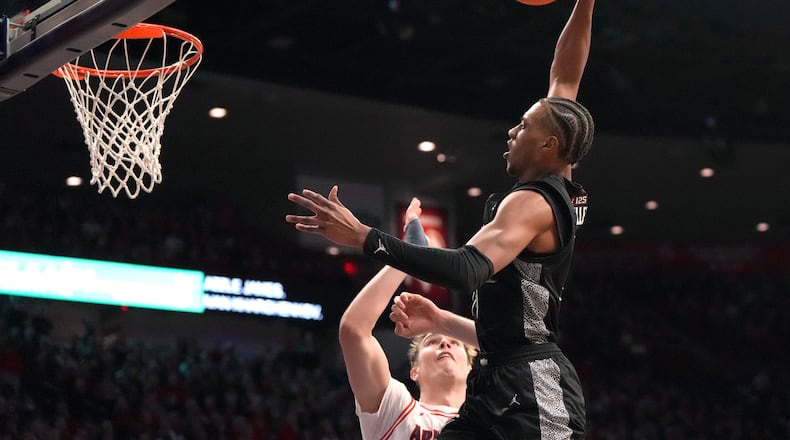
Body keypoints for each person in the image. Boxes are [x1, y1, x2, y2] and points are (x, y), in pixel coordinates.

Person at [287, 0, 595, 437]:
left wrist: (365, 237)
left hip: (532, 386)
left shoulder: (532, 203)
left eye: (523, 126)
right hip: (496, 383)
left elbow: (468, 269)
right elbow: (565, 77)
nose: (512, 131)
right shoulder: (558, 154)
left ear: (548, 145)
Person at [339, 197, 477, 440]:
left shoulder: (492, 421)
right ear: (415, 371)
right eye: (433, 341)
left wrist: (439, 320)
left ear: (471, 368)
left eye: (455, 343)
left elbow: (522, 347)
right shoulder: (396, 408)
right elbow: (354, 330)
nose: (445, 343)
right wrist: (408, 254)